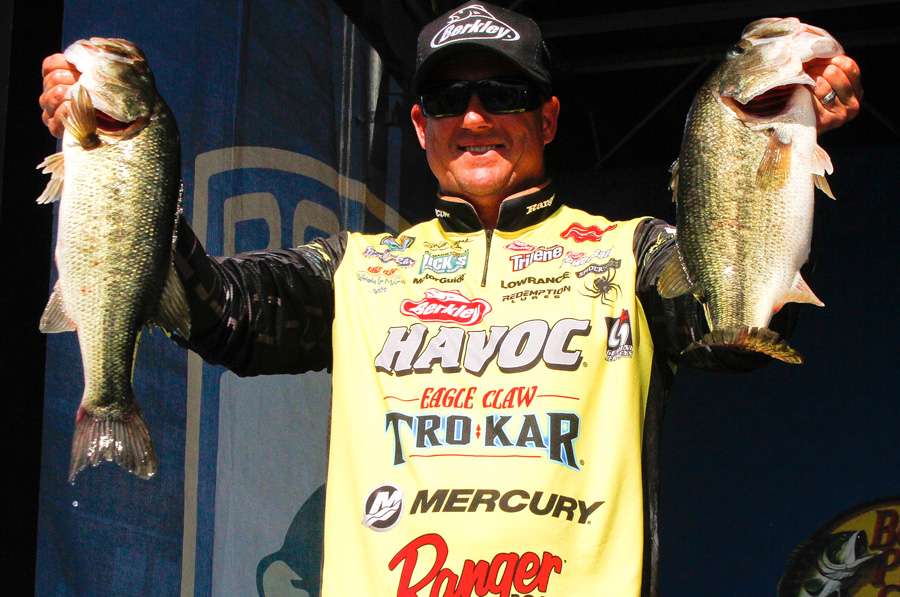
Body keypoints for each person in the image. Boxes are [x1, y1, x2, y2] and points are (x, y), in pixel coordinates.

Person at [39, 3, 862, 596]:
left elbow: (738, 320)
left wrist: (790, 131)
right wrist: (117, 161)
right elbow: (217, 311)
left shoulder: (632, 255)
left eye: (502, 95)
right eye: (446, 100)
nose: (473, 117)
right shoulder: (358, 267)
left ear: (547, 118)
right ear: (420, 125)